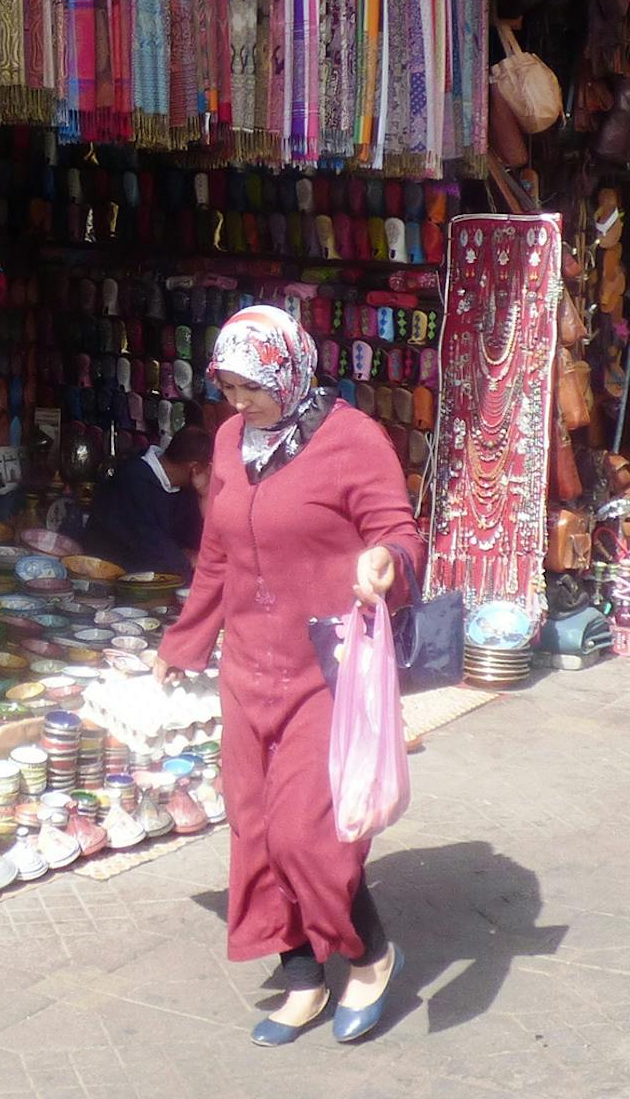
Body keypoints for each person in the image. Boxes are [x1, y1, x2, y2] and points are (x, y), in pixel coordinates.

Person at [151, 306, 420, 1046]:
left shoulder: (353, 441)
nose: (238, 404)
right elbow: (218, 555)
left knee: (310, 832)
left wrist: (384, 564)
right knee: (257, 829)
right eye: (228, 387)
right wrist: (185, 643)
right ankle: (301, 978)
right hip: (249, 666)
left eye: (251, 388)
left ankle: (368, 954)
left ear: (290, 370)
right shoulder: (234, 440)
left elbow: (398, 533)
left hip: (326, 667)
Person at [84, 426, 212, 575]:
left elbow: (198, 540)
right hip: (111, 578)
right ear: (195, 468)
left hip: (160, 578)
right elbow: (146, 543)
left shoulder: (185, 489)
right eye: (207, 469)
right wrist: (187, 558)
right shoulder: (132, 479)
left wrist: (205, 496)